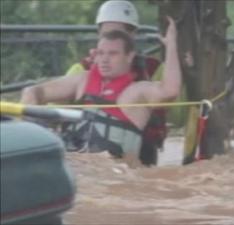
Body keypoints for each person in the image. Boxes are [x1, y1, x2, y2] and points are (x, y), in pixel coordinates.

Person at [20, 17, 181, 166]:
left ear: (129, 56)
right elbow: (33, 92)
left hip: (114, 179)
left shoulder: (137, 92)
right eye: (101, 53)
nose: (104, 59)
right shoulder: (82, 80)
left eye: (112, 54)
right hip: (75, 170)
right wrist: (33, 127)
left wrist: (171, 45)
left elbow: (170, 90)